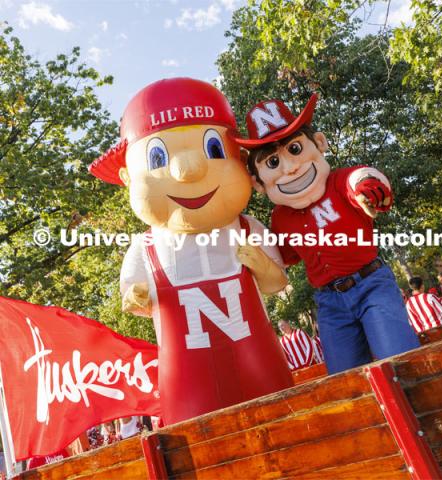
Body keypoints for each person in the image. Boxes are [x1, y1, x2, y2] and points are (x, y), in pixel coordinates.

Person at [89, 78, 293, 425]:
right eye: (158, 157)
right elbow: (133, 302)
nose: (188, 170)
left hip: (260, 365)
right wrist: (135, 296)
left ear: (239, 159)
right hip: (187, 383)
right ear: (128, 176)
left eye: (213, 149)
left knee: (283, 430)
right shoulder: (146, 247)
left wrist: (261, 264)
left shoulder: (247, 228)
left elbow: (276, 284)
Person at [232, 94, 420, 374]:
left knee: (400, 360)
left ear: (318, 143)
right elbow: (284, 256)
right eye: (272, 163)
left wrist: (369, 187)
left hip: (371, 284)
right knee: (345, 378)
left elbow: (360, 179)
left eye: (295, 149)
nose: (290, 167)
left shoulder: (339, 182)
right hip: (329, 301)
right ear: (258, 183)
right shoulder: (280, 217)